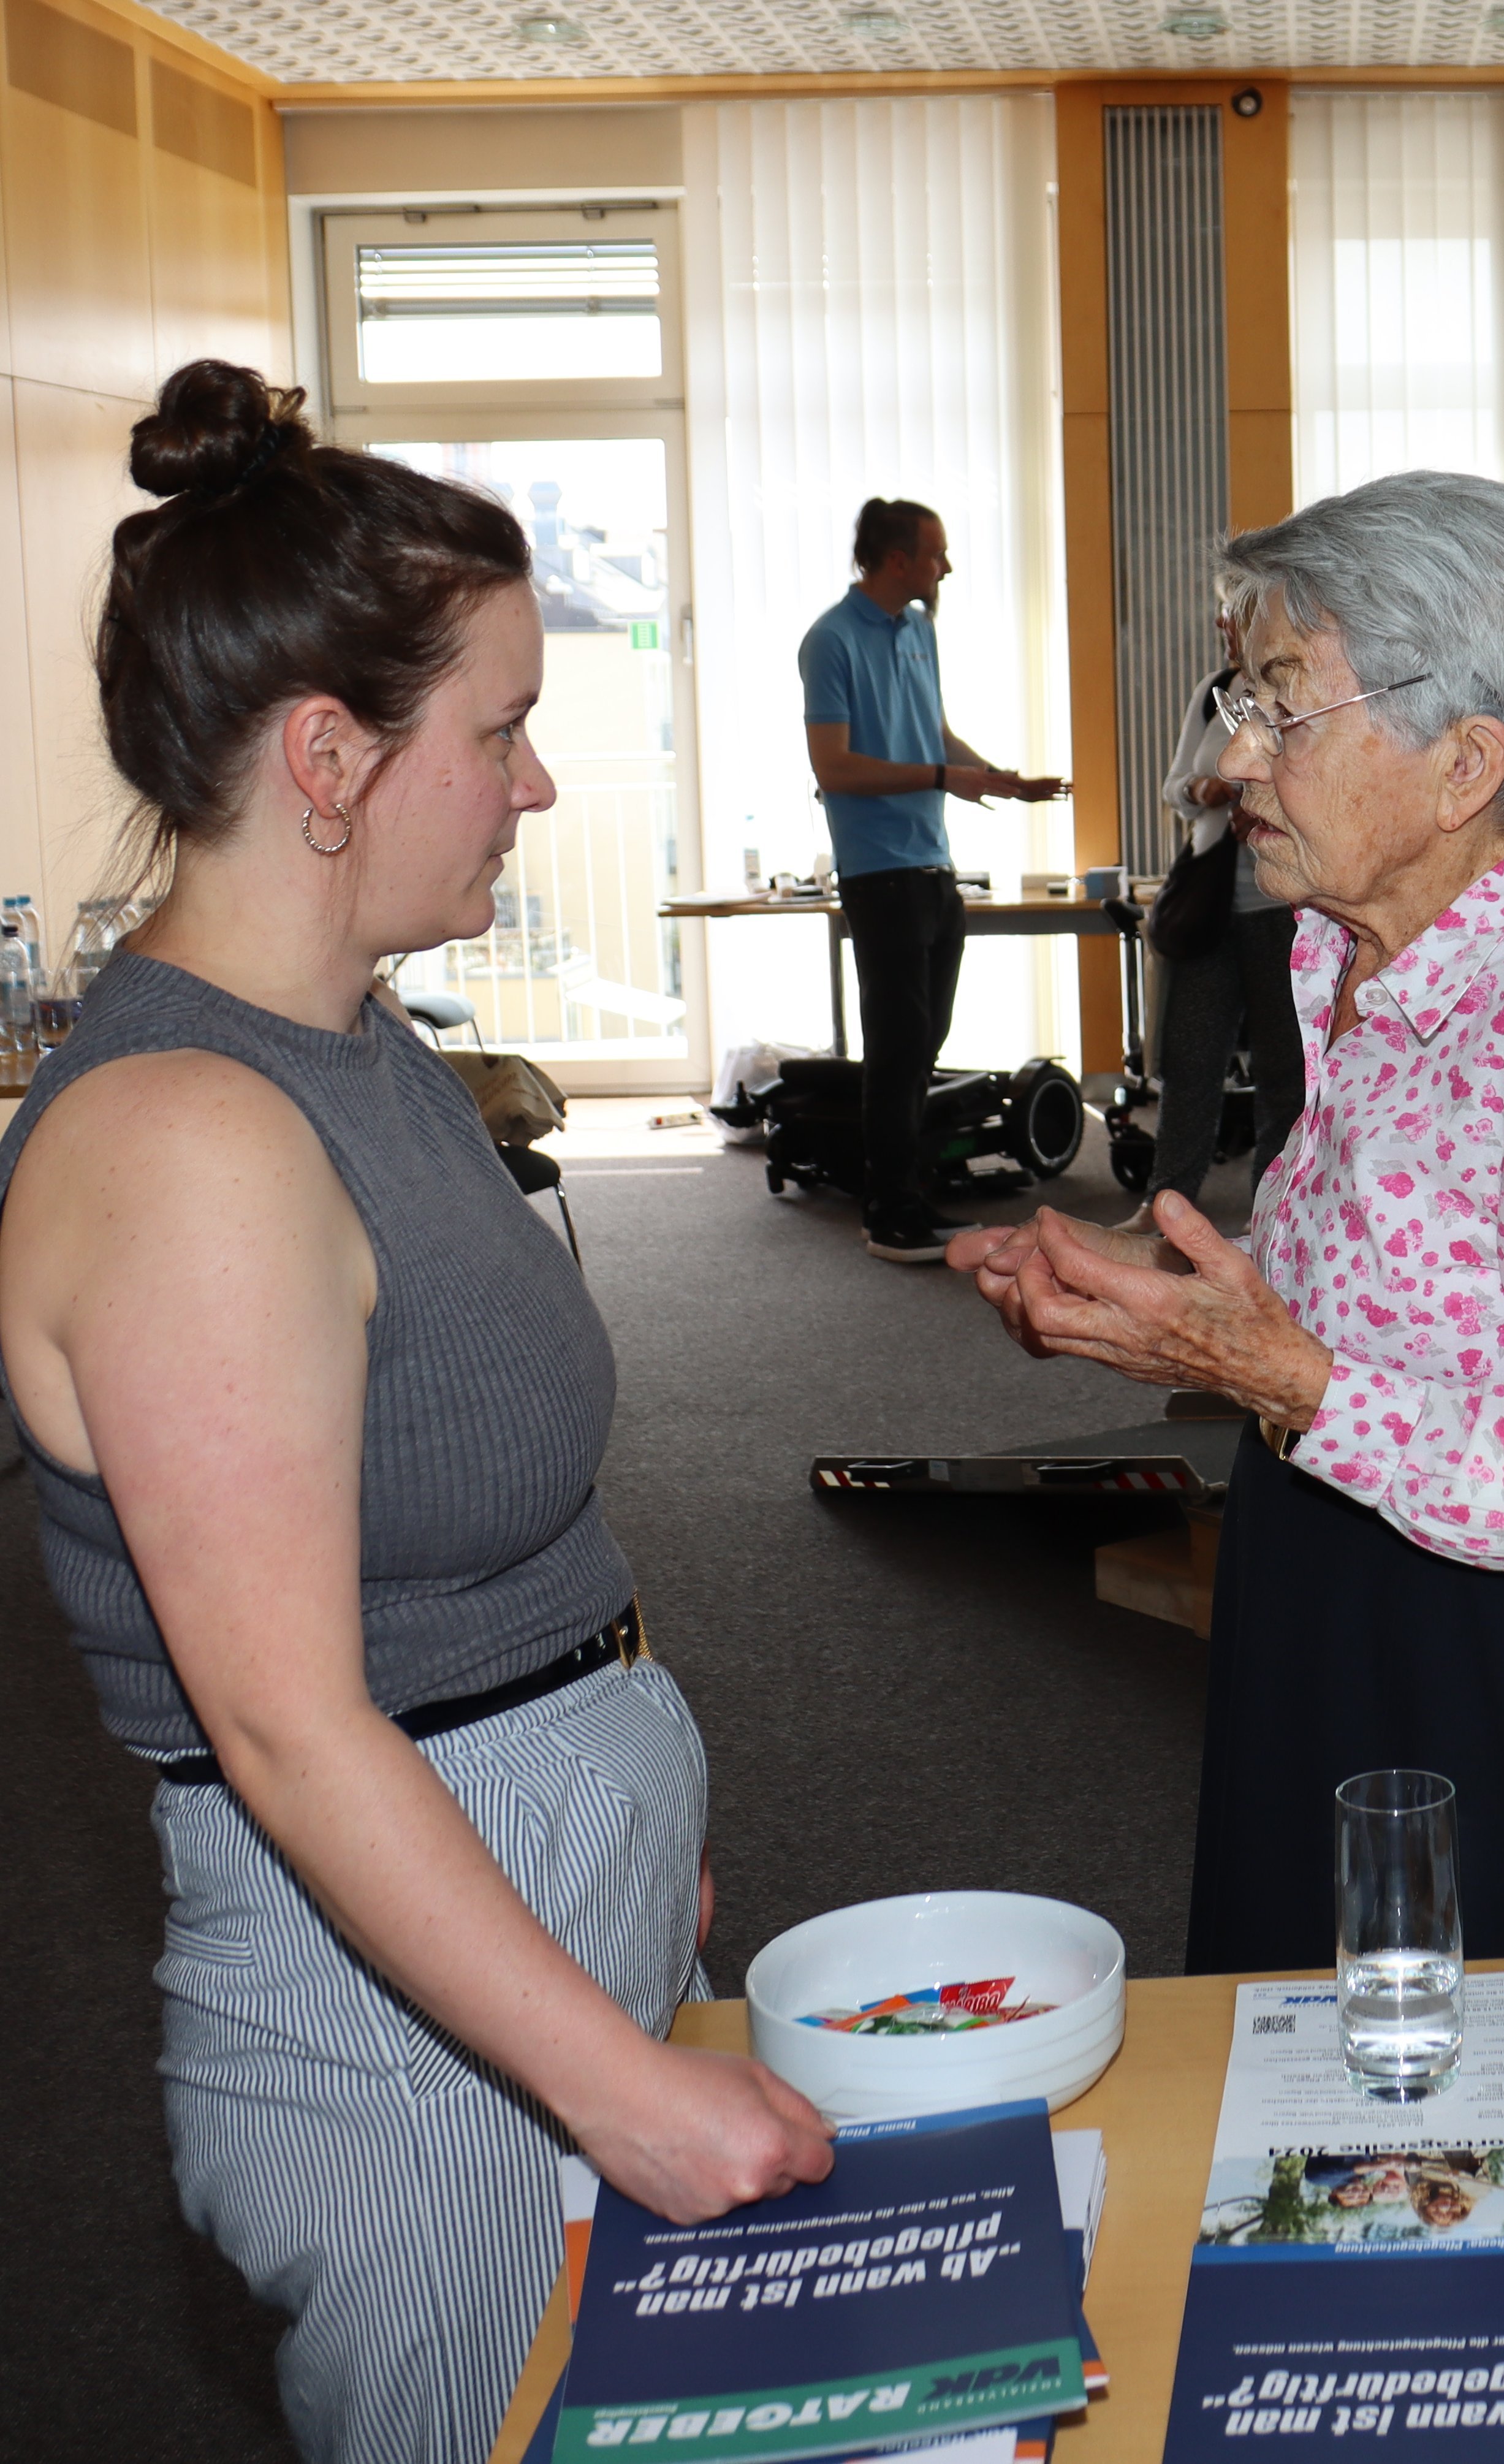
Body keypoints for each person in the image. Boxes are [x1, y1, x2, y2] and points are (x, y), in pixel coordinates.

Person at [0, 362, 834, 2464]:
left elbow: (464, 1533)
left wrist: (623, 1807)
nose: (536, 786)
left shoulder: (348, 1044)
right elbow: (288, 1721)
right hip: (393, 2022)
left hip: (512, 1901)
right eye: (503, 728)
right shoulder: (191, 1139)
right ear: (326, 760)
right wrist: (624, 2079)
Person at [945, 470, 1504, 1973]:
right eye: (1237, 700)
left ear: (1464, 765)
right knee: (1288, 2041)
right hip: (1320, 1575)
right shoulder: (1354, 951)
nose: (1226, 766)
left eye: (1282, 710)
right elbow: (1406, 1294)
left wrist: (1283, 1380)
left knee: (1468, 2127)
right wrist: (1170, 1306)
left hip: (1493, 1662)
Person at [799, 496, 1066, 1263]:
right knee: (898, 1044)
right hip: (877, 870)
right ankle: (889, 1211)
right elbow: (834, 766)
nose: (945, 566)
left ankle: (907, 1183)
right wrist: (948, 774)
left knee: (925, 1041)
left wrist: (993, 779)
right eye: (935, 553)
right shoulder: (831, 641)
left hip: (933, 864)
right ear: (895, 560)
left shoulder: (920, 629)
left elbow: (933, 733)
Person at [1137, 577, 1304, 1230]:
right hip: (1211, 907)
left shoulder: (1300, 689)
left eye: (1230, 614)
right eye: (1219, 615)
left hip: (1280, 911)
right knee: (1191, 1062)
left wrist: (1262, 803)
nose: (1219, 626)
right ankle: (1163, 1210)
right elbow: (1174, 786)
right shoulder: (1214, 692)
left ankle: (1273, 1224)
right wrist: (1206, 789)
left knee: (1283, 1077)